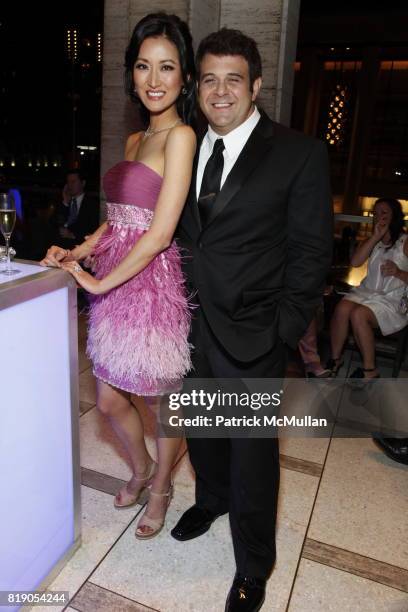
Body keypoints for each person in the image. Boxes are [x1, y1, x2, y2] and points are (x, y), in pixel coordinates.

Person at [173, 28, 333, 612]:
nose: (220, 92)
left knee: (253, 457)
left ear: (257, 85)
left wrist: (283, 331)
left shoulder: (299, 152)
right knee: (203, 436)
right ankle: (210, 500)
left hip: (256, 333)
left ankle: (253, 566)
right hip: (187, 327)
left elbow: (312, 253)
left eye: (232, 79)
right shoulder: (184, 145)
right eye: (209, 79)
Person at [40, 12, 197, 539]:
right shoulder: (133, 140)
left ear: (184, 77)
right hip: (113, 277)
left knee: (162, 399)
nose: (154, 80)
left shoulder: (181, 136)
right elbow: (118, 220)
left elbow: (157, 233)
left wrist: (99, 283)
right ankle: (143, 468)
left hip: (149, 285)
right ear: (131, 74)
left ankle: (162, 490)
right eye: (143, 67)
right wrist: (78, 251)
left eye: (167, 68)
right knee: (108, 399)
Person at [327, 198, 408, 380]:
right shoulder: (374, 241)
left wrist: (398, 272)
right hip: (366, 293)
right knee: (341, 309)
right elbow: (355, 262)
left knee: (358, 314)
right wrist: (375, 237)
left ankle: (370, 370)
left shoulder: (405, 242)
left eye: (384, 213)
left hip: (391, 300)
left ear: (395, 216)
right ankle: (335, 359)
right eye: (375, 213)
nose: (379, 217)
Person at [57, 169, 100, 249]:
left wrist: (72, 235)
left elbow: (94, 229)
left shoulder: (92, 204)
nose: (70, 185)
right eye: (68, 182)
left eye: (73, 182)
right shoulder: (65, 201)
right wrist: (65, 202)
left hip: (81, 247)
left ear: (83, 183)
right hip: (61, 247)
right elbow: (53, 222)